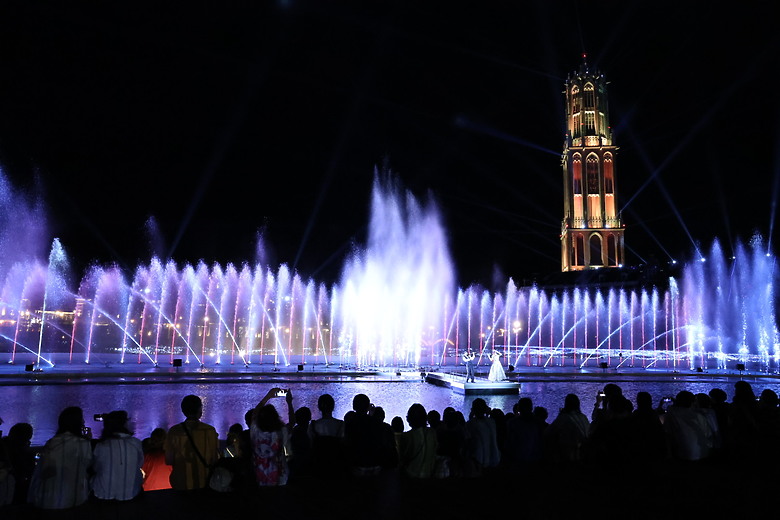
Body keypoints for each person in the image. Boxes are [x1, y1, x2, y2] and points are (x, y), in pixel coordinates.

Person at [28, 406, 93, 509]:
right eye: (82, 419)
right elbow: (87, 464)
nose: (84, 421)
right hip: (74, 499)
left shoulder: (52, 442)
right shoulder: (83, 444)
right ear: (78, 423)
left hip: (46, 499)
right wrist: (89, 440)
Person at [165, 395, 219, 491]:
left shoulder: (174, 431)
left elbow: (169, 460)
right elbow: (214, 459)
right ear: (200, 409)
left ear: (183, 410)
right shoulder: (210, 430)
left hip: (180, 483)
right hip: (205, 482)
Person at [92, 410, 144, 501]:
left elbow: (96, 468)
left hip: (103, 494)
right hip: (132, 493)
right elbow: (140, 464)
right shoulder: (136, 443)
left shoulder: (101, 445)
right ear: (124, 424)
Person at [250, 387, 294, 486]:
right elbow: (292, 423)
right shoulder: (281, 431)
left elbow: (254, 414)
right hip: (280, 477)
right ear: (276, 417)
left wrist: (268, 396)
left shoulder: (255, 431)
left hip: (260, 477)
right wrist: (289, 403)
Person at [397, 403, 437, 479]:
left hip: (411, 476)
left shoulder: (407, 436)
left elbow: (403, 458)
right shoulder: (432, 433)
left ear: (409, 419)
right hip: (429, 476)